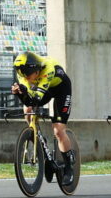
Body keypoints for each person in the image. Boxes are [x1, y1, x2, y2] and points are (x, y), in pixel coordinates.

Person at [11, 52, 77, 185]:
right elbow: (29, 101)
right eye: (23, 75)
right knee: (28, 110)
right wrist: (20, 92)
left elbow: (36, 98)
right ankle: (40, 141)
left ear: (36, 70)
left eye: (28, 75)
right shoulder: (24, 73)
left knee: (58, 130)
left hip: (61, 90)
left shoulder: (48, 69)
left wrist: (24, 93)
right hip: (45, 89)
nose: (26, 78)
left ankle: (69, 168)